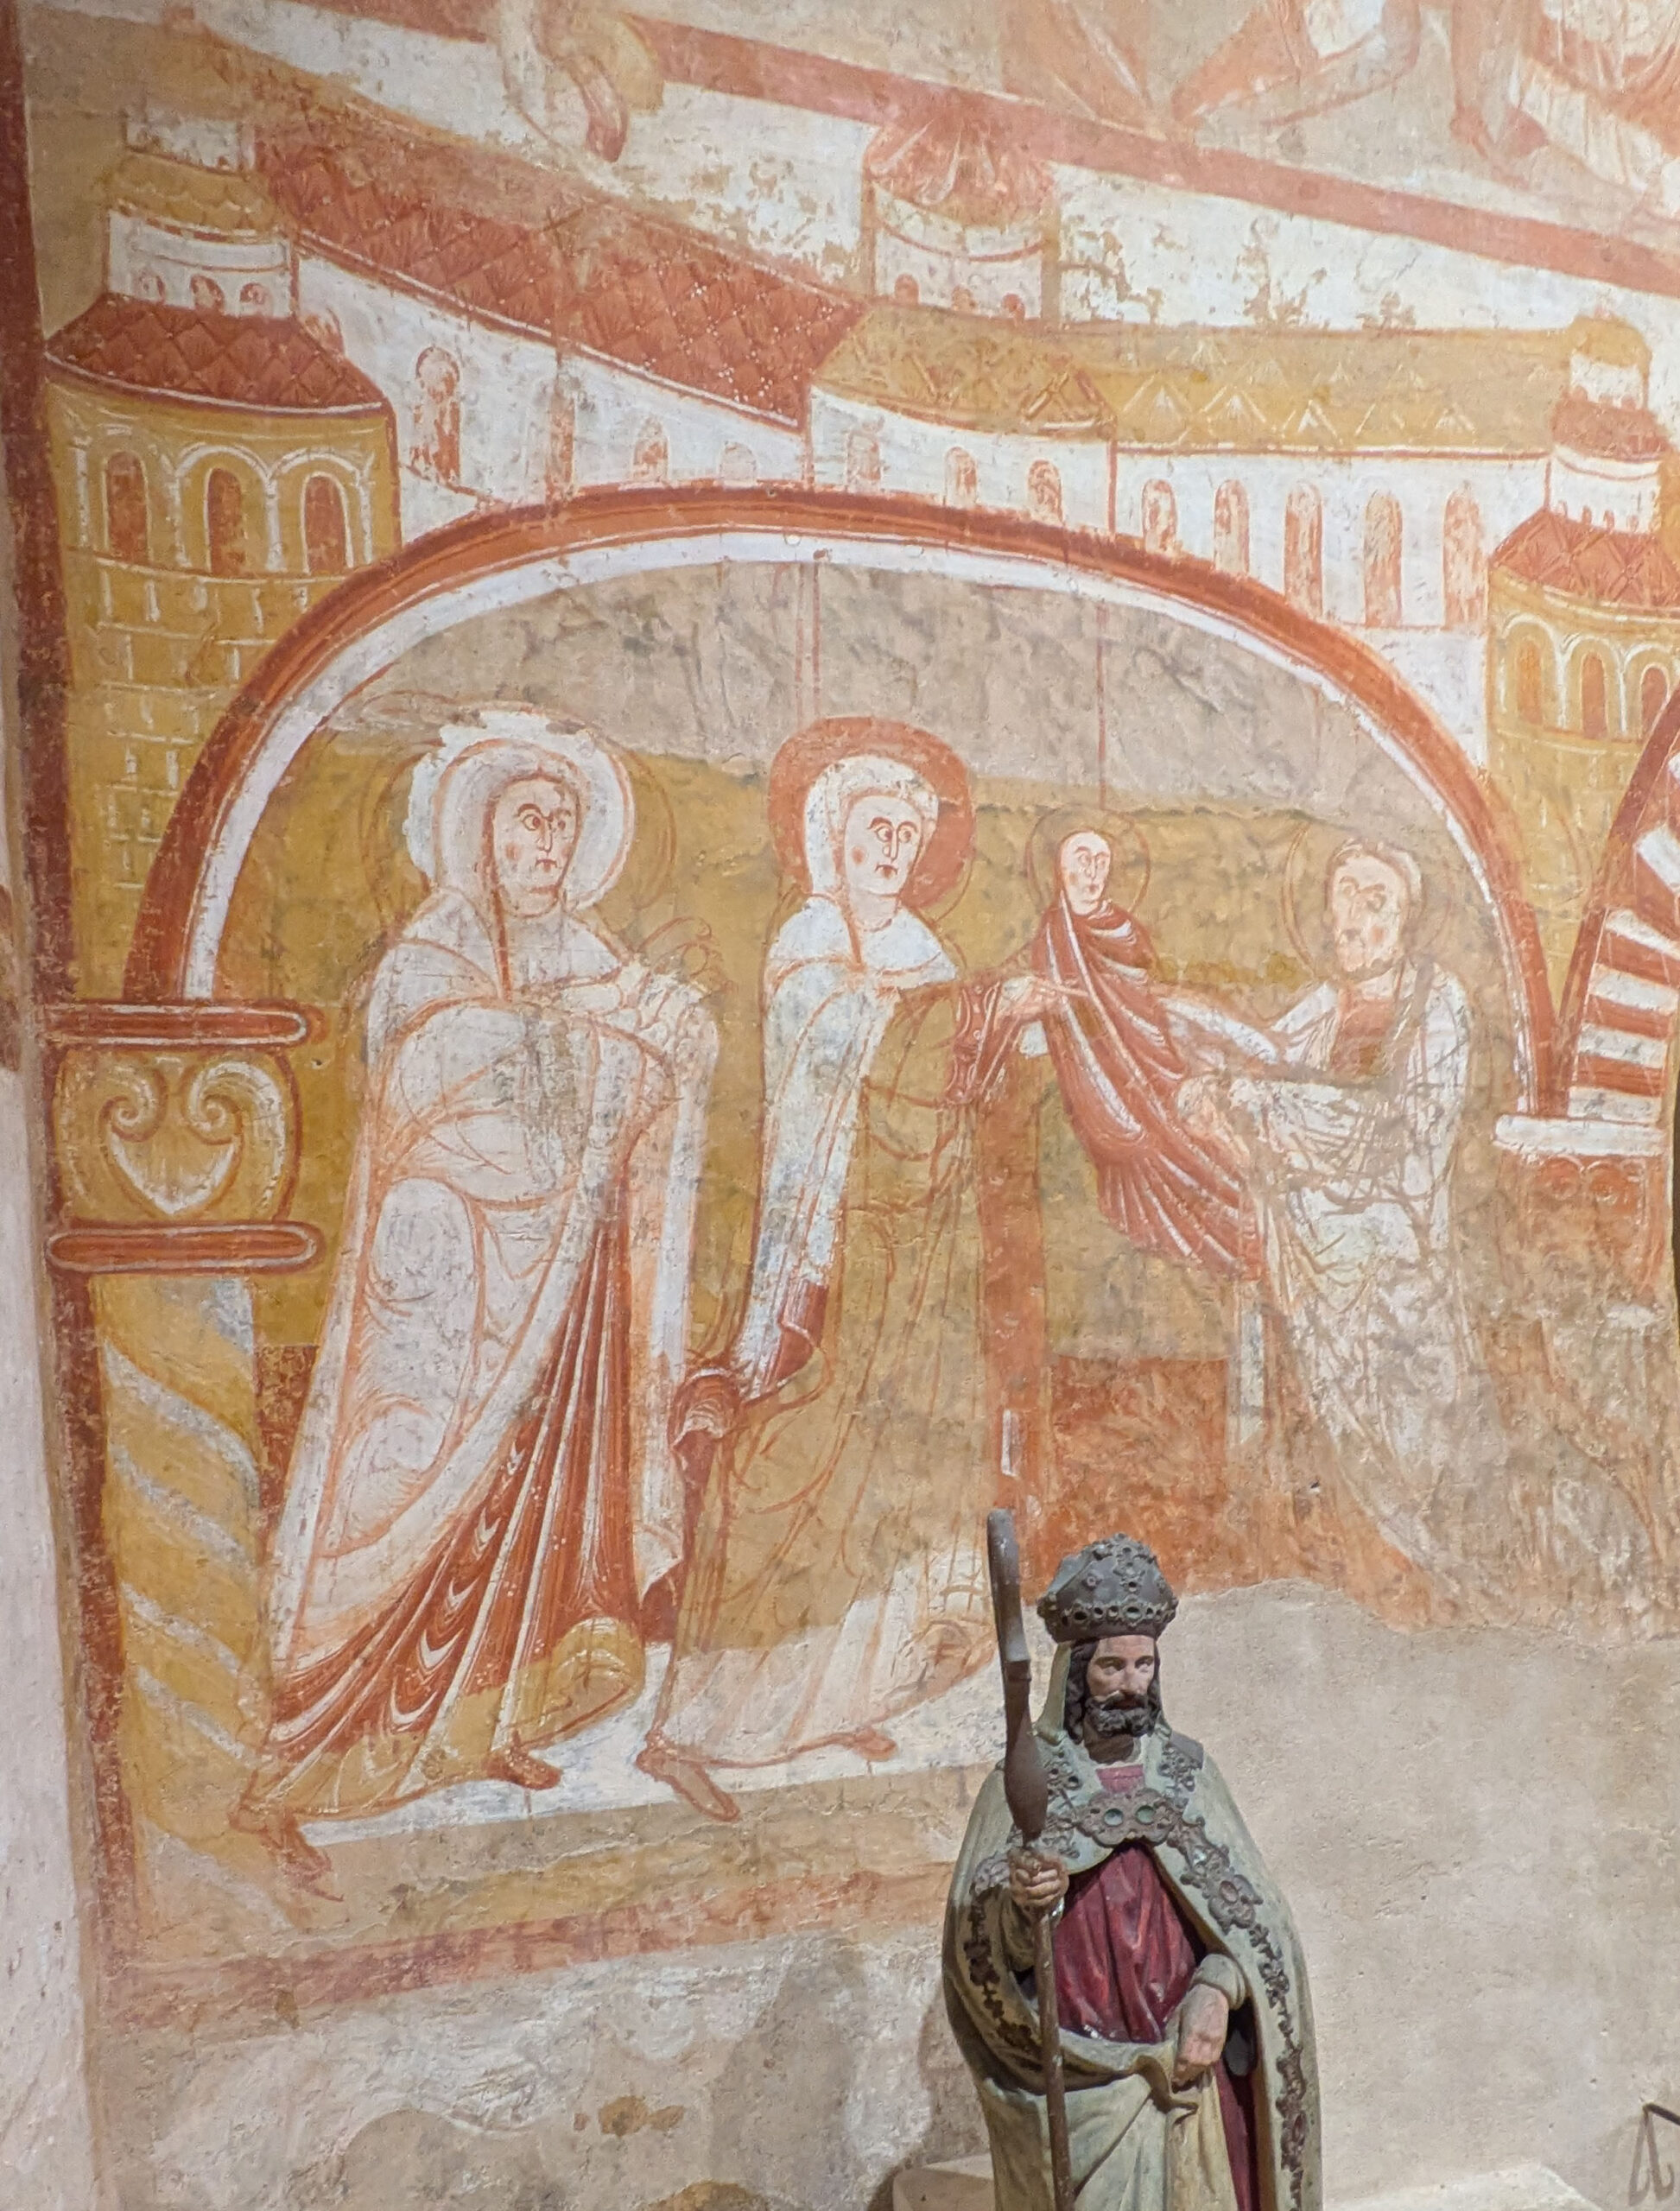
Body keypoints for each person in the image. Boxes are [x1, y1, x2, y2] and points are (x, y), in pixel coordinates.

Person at [235, 707, 715, 1891]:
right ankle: (317, 1751)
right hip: (445, 1302)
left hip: (559, 1304)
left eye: (562, 824)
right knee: (409, 1501)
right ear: (476, 835)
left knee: (534, 1505)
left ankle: (491, 1717)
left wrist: (658, 1029)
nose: (546, 844)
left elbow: (667, 1044)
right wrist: (597, 1044)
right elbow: (436, 1085)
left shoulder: (587, 953)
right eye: (526, 821)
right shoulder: (427, 961)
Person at [638, 723, 1062, 1821]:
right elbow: (848, 1047)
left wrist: (1012, 1039)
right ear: (831, 836)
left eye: (907, 836)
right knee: (780, 1449)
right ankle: (690, 1725)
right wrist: (984, 1012)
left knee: (887, 1465)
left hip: (913, 1252)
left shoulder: (921, 950)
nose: (890, 850)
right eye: (874, 829)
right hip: (825, 1236)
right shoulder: (811, 942)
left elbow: (953, 1082)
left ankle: (832, 1697)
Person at [946, 1532, 1320, 2211]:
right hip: (1082, 2080)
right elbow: (979, 1955)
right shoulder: (1023, 1786)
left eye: (1143, 1664)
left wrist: (1217, 1989)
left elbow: (1256, 1928)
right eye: (1111, 1666)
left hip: (1187, 2067)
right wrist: (1025, 1903)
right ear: (1075, 1672)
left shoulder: (1186, 1774)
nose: (1130, 1685)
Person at [1172, 839, 1499, 1601]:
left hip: (1394, 1262)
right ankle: (1323, 1566)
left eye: (1373, 900)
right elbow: (1258, 1063)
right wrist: (1209, 1091)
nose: (1353, 917)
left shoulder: (1437, 1003)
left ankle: (1415, 1574)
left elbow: (1406, 1134)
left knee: (1408, 1440)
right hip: (1307, 1251)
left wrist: (1260, 1104)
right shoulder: (1320, 1007)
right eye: (1343, 896)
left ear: (1407, 918)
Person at [1026, 827, 1257, 1283]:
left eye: (1101, 862)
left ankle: (1232, 1219)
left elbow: (1142, 999)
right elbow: (1064, 1015)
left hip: (1152, 1058)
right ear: (1059, 869)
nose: (1092, 873)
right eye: (1081, 860)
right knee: (1135, 1145)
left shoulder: (1125, 930)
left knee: (1186, 1134)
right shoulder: (1051, 939)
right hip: (1094, 1074)